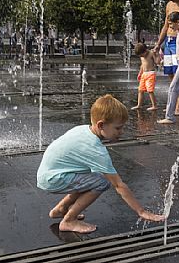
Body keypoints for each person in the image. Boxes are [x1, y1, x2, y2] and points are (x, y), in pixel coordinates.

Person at [37, 94, 164, 233]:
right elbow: (118, 185)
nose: (121, 132)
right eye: (118, 128)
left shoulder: (83, 129)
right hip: (52, 178)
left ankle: (61, 209)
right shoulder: (96, 149)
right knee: (101, 182)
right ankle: (68, 220)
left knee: (92, 175)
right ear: (101, 125)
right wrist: (141, 211)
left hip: (48, 173)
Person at [131, 43, 160, 111]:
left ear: (145, 50)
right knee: (140, 90)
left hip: (150, 74)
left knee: (150, 90)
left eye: (141, 54)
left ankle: (154, 105)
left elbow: (157, 62)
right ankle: (139, 105)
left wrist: (157, 54)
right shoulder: (142, 56)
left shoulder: (151, 53)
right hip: (144, 74)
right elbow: (142, 65)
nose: (141, 56)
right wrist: (140, 73)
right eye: (140, 55)